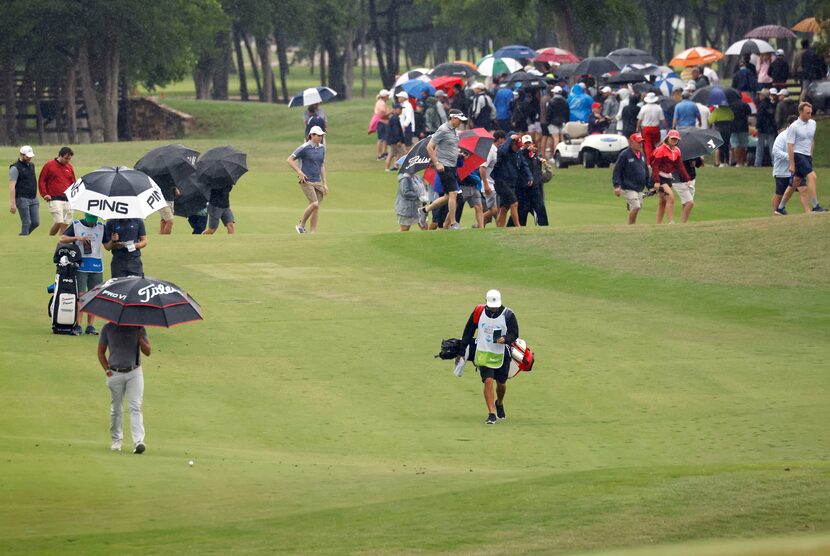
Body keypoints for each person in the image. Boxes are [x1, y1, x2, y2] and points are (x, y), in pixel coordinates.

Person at [459, 289, 519, 425]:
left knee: (501, 384)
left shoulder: (508, 314)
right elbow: (468, 330)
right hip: (484, 352)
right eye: (491, 306)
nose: (493, 308)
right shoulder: (478, 312)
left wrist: (505, 338)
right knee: (488, 380)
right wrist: (463, 349)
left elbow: (514, 334)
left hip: (502, 353)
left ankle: (499, 402)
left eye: (495, 306)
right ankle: (491, 413)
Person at [97, 322, 151, 454]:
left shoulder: (139, 327)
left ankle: (138, 441)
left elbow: (148, 351)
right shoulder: (108, 328)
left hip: (134, 372)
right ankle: (116, 441)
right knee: (116, 409)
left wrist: (139, 338)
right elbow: (100, 352)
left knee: (135, 406)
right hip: (115, 373)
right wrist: (107, 370)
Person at [60, 213, 109, 335]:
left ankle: (90, 326)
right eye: (90, 222)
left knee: (94, 295)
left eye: (94, 222)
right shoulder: (76, 225)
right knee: (81, 295)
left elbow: (107, 246)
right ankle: (79, 325)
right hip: (81, 264)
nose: (92, 224)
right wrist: (78, 238)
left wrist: (113, 241)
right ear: (86, 218)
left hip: (97, 265)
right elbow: (62, 238)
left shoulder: (101, 227)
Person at [421, 109, 466, 229]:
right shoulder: (443, 129)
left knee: (447, 196)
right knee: (453, 194)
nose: (461, 122)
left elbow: (450, 147)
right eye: (459, 120)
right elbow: (430, 146)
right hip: (444, 166)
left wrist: (458, 154)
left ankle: (425, 210)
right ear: (453, 118)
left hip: (452, 166)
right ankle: (453, 223)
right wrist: (436, 163)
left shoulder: (454, 131)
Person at [287, 125, 329, 233]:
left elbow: (321, 165)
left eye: (321, 135)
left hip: (317, 180)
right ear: (311, 135)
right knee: (314, 203)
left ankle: (312, 233)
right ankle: (301, 225)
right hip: (306, 180)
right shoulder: (304, 147)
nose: (320, 137)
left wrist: (325, 183)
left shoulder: (322, 148)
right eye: (318, 135)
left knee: (316, 207)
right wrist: (299, 172)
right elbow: (290, 160)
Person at [786, 102, 826, 213]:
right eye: (807, 113)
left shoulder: (813, 123)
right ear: (801, 112)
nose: (810, 115)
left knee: (796, 182)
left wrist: (811, 155)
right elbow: (790, 145)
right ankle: (815, 206)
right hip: (798, 154)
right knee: (812, 177)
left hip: (807, 155)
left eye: (811, 113)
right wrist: (792, 164)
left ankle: (780, 207)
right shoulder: (794, 126)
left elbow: (811, 140)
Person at [650, 129, 691, 224]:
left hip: (668, 178)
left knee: (662, 202)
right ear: (667, 138)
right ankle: (670, 221)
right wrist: (656, 181)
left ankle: (658, 224)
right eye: (672, 139)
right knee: (670, 197)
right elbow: (655, 166)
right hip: (659, 178)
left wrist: (687, 178)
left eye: (676, 139)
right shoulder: (661, 150)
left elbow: (680, 166)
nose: (674, 140)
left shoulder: (677, 151)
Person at [492, 134, 532, 228]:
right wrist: (510, 139)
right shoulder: (504, 151)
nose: (518, 148)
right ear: (512, 144)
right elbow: (501, 150)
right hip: (501, 182)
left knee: (505, 207)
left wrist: (529, 177)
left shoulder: (518, 154)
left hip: (512, 182)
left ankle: (500, 226)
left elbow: (524, 166)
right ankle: (518, 226)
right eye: (517, 146)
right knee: (514, 203)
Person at [612, 133, 653, 224]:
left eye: (641, 142)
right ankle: (630, 227)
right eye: (638, 142)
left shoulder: (642, 154)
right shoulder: (624, 155)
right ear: (631, 142)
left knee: (638, 207)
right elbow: (617, 171)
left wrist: (650, 186)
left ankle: (633, 226)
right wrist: (616, 186)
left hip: (639, 188)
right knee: (636, 206)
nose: (640, 144)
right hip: (628, 187)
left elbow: (646, 172)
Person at [38, 146, 76, 236]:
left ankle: (61, 242)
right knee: (58, 221)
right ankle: (50, 238)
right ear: (60, 155)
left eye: (69, 159)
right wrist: (45, 194)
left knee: (66, 223)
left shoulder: (69, 167)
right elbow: (42, 180)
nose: (67, 161)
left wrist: (75, 195)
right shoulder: (49, 165)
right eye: (66, 158)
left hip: (68, 199)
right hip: (55, 198)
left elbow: (73, 182)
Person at [517, 135, 549, 226]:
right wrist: (526, 151)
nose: (528, 145)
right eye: (525, 143)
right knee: (522, 210)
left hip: (535, 188)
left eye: (529, 143)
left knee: (540, 208)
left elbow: (537, 172)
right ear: (522, 144)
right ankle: (518, 228)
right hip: (523, 188)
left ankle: (544, 227)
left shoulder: (535, 156)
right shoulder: (519, 155)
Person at [8, 145, 39, 236]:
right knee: (26, 223)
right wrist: (13, 203)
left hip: (33, 197)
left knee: (36, 222)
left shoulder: (32, 166)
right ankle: (24, 239)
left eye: (31, 156)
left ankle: (23, 235)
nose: (30, 158)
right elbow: (12, 186)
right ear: (22, 155)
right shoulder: (15, 168)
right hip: (22, 198)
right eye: (28, 156)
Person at [478, 130, 506, 227]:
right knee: (494, 210)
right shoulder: (491, 151)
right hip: (489, 184)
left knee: (497, 209)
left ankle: (497, 227)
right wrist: (485, 184)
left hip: (494, 184)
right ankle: (478, 223)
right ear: (500, 139)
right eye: (504, 139)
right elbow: (482, 168)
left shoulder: (497, 151)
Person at [636, 92, 666, 164]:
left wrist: (638, 128)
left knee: (647, 146)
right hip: (656, 128)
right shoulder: (658, 108)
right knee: (656, 145)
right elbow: (662, 120)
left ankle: (649, 162)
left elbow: (639, 120)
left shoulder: (644, 108)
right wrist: (666, 128)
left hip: (646, 128)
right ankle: (656, 160)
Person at [755, 89, 777, 167]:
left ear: (763, 96)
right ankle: (774, 163)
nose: (759, 96)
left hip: (762, 129)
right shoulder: (772, 104)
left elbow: (759, 117)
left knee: (760, 146)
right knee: (772, 147)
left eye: (761, 94)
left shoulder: (761, 105)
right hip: (771, 128)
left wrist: (757, 127)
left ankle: (758, 163)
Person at [677, 157, 702, 223]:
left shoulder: (693, 151)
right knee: (689, 203)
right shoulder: (677, 151)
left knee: (685, 204)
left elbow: (699, 164)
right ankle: (682, 225)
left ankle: (682, 224)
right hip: (680, 181)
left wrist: (694, 161)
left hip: (691, 179)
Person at [546, 86, 569, 152]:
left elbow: (548, 113)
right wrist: (566, 121)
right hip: (563, 122)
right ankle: (563, 154)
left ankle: (556, 155)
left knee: (555, 139)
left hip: (553, 122)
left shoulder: (551, 101)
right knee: (562, 139)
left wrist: (548, 122)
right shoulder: (565, 101)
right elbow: (567, 112)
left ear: (554, 93)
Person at [729, 98, 751, 166]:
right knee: (743, 145)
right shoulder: (745, 105)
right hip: (743, 126)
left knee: (735, 145)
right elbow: (749, 113)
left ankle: (737, 162)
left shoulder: (730, 105)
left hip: (733, 127)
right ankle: (743, 162)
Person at [385, 103, 406, 172]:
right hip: (395, 140)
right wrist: (399, 140)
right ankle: (395, 167)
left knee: (393, 153)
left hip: (393, 140)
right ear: (395, 110)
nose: (401, 111)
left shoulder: (394, 118)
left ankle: (393, 167)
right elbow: (395, 131)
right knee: (401, 153)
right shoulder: (395, 119)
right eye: (400, 109)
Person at [374, 89, 391, 160]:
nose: (388, 97)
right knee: (381, 139)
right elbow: (382, 115)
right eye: (387, 95)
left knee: (384, 139)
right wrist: (391, 111)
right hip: (382, 122)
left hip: (383, 123)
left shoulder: (381, 102)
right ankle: (380, 155)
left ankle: (384, 153)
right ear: (384, 96)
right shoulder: (381, 103)